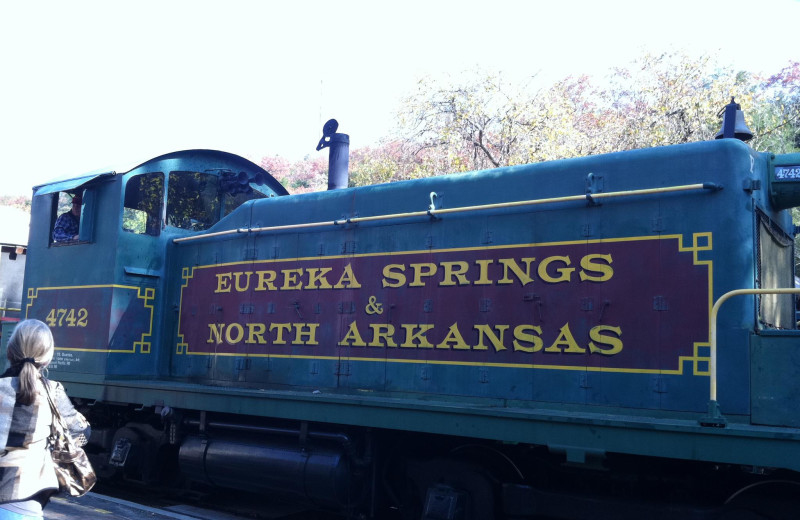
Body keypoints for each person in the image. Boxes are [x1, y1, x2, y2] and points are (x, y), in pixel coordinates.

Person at [0, 320, 90, 519]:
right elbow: (80, 432)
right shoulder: (53, 392)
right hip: (23, 505)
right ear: (47, 359)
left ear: (9, 351)